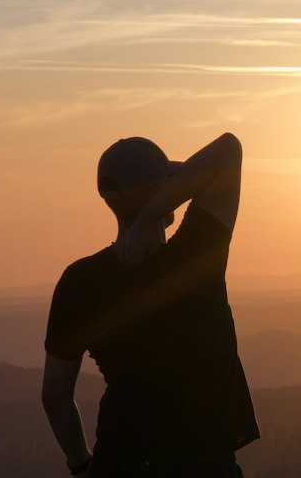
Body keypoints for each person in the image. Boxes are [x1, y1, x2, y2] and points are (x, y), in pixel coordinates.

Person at [41, 132, 259, 477]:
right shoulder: (196, 256)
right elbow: (228, 151)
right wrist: (150, 215)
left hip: (119, 461)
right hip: (203, 465)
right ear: (163, 189)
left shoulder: (78, 282)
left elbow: (55, 396)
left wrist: (81, 465)